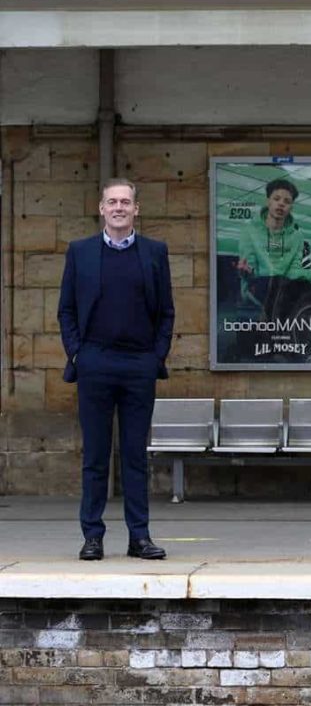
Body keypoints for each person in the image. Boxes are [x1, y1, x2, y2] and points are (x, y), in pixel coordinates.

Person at [58, 178, 175, 561]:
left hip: (139, 364)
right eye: (113, 201)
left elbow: (166, 311)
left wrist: (156, 356)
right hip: (95, 363)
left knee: (135, 456)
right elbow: (67, 310)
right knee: (95, 456)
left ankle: (138, 537)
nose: (119, 207)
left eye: (126, 201)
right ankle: (92, 536)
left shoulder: (155, 252)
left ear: (136, 209)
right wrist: (78, 354)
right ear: (101, 207)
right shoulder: (80, 253)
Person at [235, 178, 311, 319]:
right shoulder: (249, 230)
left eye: (287, 202)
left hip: (283, 295)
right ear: (268, 201)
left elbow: (294, 271)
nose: (281, 204)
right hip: (256, 295)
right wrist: (246, 272)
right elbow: (249, 270)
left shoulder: (297, 236)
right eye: (277, 199)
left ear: (291, 207)